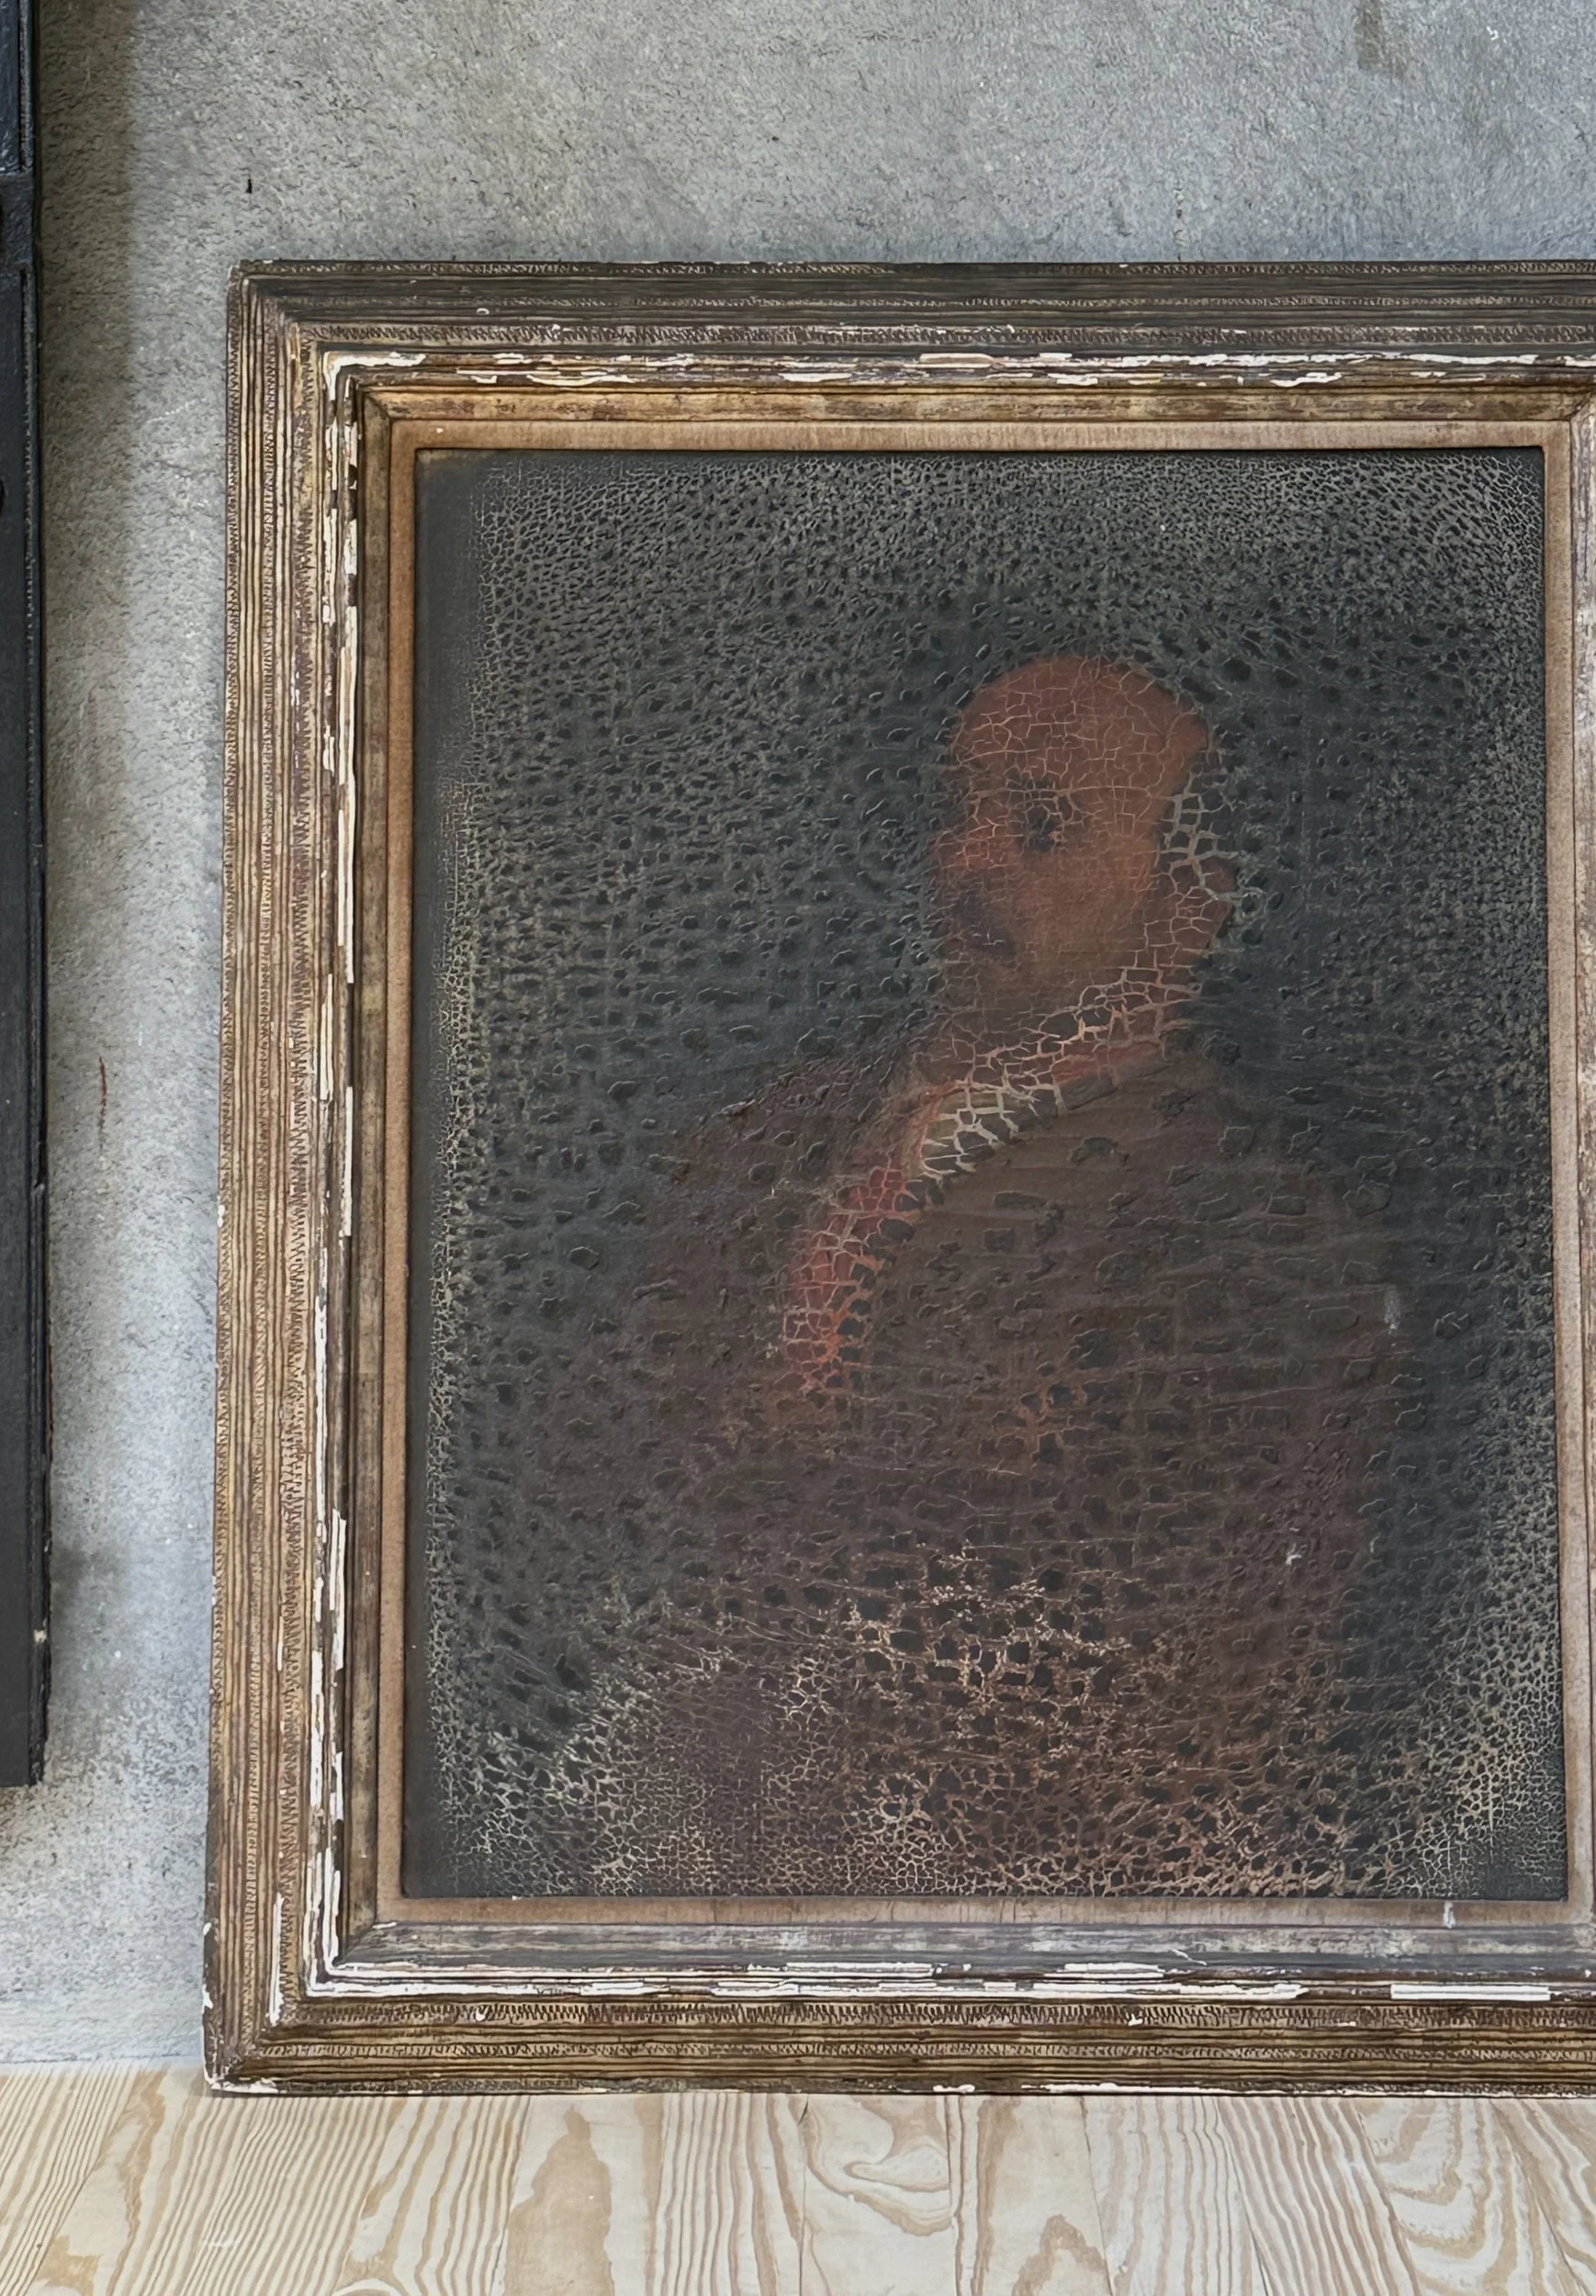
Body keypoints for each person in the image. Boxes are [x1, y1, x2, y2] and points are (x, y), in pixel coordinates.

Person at [412, 655, 1415, 1901]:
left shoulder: (1264, 1231)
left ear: (1192, 899)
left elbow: (1186, 1653)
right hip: (651, 1833)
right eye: (956, 815)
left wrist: (782, 1508)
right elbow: (556, 1489)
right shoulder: (759, 1140)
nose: (965, 863)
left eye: (1041, 829)